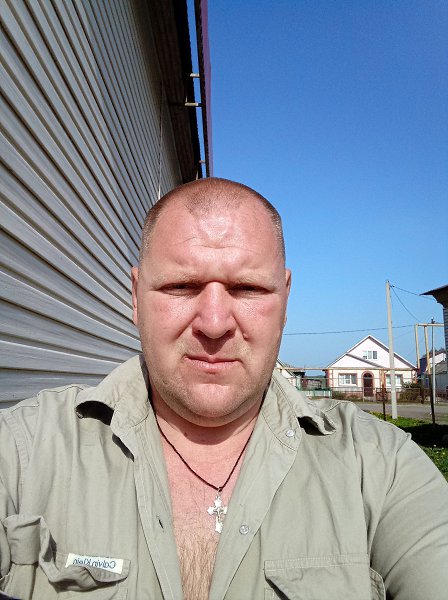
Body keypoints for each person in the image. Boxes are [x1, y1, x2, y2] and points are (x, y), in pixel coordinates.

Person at [0, 178, 447, 600]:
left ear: (285, 299)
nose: (214, 324)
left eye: (247, 288)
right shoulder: (22, 452)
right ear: (136, 297)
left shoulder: (380, 468)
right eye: (181, 286)